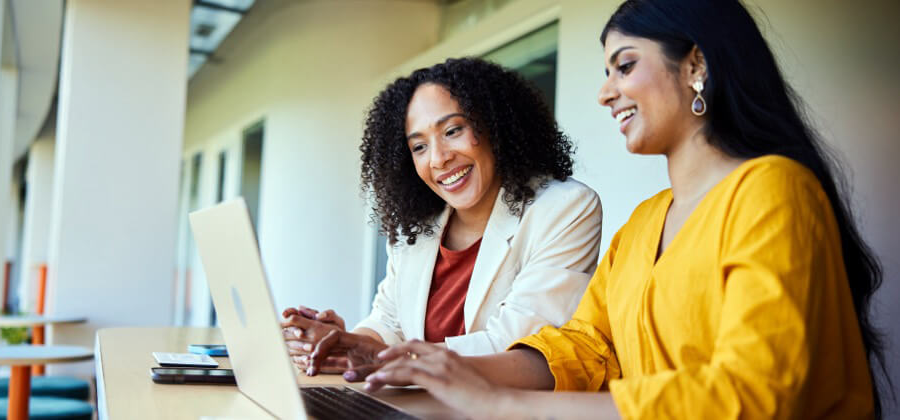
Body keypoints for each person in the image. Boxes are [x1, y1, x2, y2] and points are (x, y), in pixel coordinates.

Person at [314, 1, 890, 418]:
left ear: (695, 65)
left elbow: (754, 393)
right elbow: (582, 350)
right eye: (606, 71)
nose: (605, 91)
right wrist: (435, 366)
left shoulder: (773, 189)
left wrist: (498, 403)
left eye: (625, 65)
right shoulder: (643, 223)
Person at [282, 57, 603, 375]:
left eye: (452, 130)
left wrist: (388, 357)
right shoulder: (417, 228)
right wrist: (343, 344)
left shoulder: (565, 208)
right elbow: (387, 323)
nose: (438, 159)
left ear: (495, 126)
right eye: (419, 147)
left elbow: (520, 345)